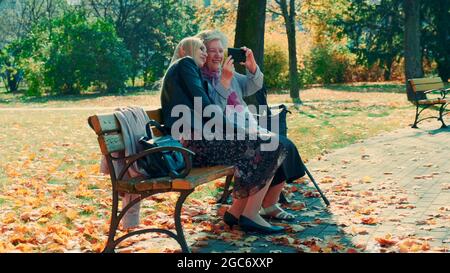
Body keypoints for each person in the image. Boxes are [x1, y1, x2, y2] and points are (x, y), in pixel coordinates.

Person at [160, 37, 288, 234]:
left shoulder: (189, 71)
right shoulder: (186, 64)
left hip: (198, 143)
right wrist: (240, 131)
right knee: (269, 144)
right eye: (201, 49)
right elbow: (206, 108)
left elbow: (207, 107)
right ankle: (250, 215)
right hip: (191, 148)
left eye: (206, 49)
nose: (204, 53)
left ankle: (236, 212)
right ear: (186, 50)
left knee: (266, 144)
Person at [196, 30, 307, 221]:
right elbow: (212, 110)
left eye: (221, 51)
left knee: (285, 145)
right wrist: (224, 82)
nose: (217, 55)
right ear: (203, 53)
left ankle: (269, 204)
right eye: (212, 51)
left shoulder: (228, 73)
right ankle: (253, 209)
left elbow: (254, 85)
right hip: (228, 135)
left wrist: (252, 67)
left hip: (248, 129)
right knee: (271, 146)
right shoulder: (200, 79)